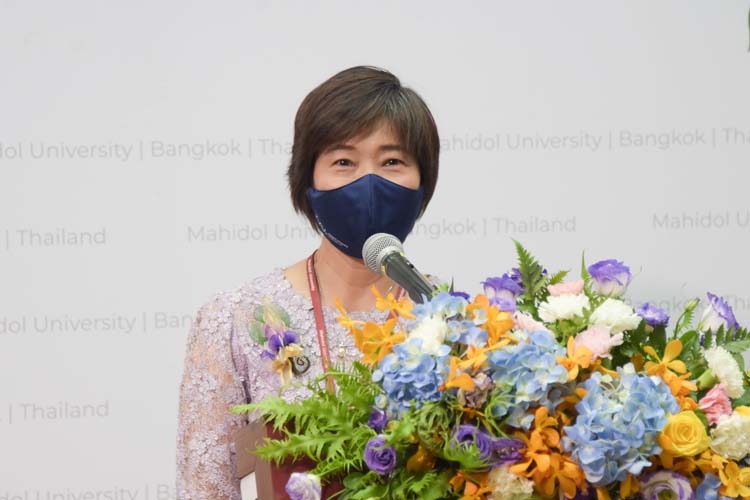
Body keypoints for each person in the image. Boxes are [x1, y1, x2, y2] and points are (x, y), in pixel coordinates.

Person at [175, 65, 441, 499]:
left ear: (422, 181)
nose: (369, 183)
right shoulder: (236, 320)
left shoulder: (460, 322)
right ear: (307, 180)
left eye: (392, 162)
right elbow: (205, 489)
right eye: (343, 162)